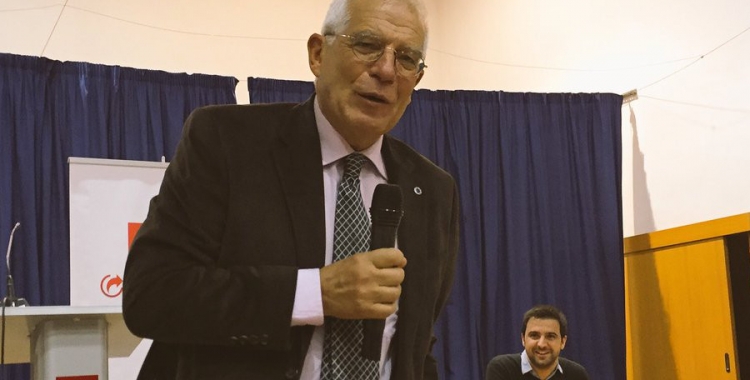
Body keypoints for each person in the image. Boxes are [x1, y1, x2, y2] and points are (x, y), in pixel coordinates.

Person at [122, 0, 460, 379]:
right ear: (318, 54)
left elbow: (413, 344)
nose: (385, 70)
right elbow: (152, 296)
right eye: (366, 45)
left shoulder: (432, 189)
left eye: (407, 58)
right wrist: (316, 293)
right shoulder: (226, 142)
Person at [485, 305, 589, 380]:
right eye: (534, 335)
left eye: (550, 336)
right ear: (523, 339)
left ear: (563, 342)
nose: (541, 344)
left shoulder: (576, 375)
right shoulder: (502, 369)